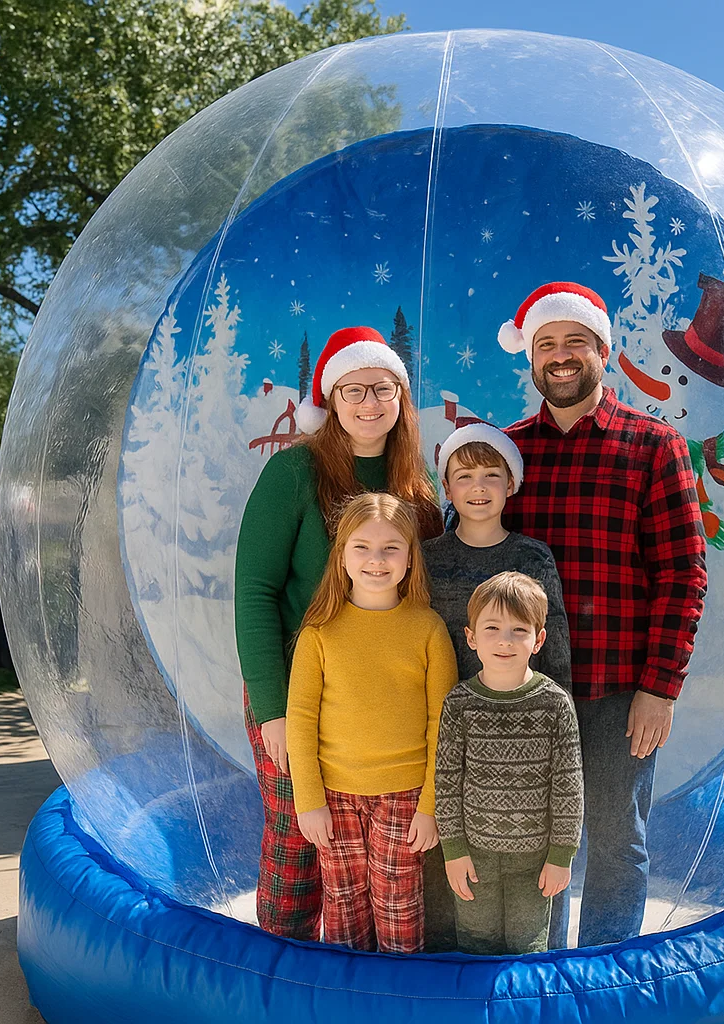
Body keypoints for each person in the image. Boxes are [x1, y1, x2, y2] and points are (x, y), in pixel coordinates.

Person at [498, 281, 708, 947]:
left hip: (621, 692)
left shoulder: (653, 445)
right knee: (537, 848)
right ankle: (543, 981)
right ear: (531, 359)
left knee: (618, 844)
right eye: (546, 345)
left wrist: (659, 689)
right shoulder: (505, 454)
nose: (560, 356)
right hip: (528, 693)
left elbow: (683, 574)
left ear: (603, 353)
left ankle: (605, 984)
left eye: (575, 343)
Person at [234, 326, 443, 940]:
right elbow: (255, 591)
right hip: (300, 693)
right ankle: (286, 969)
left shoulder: (415, 485)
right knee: (300, 837)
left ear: (401, 396)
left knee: (382, 855)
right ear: (331, 400)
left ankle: (378, 976)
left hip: (383, 704)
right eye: (352, 390)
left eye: (381, 387)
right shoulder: (295, 473)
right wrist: (272, 709)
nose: (368, 403)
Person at [285, 492, 457, 953]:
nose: (376, 560)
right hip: (334, 796)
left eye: (391, 548)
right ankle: (349, 1000)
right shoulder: (319, 633)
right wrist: (309, 800)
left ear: (409, 560)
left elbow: (444, 725)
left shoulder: (428, 629)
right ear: (341, 556)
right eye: (361, 546)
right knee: (343, 905)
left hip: (404, 795)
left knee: (398, 901)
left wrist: (431, 805)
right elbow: (300, 720)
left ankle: (399, 999)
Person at [434, 572, 583, 955]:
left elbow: (568, 786)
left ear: (539, 640)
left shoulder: (554, 704)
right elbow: (447, 782)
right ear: (471, 637)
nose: (504, 639)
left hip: (533, 864)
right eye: (492, 627)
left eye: (519, 630)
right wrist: (453, 850)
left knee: (528, 947)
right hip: (474, 856)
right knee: (475, 943)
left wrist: (561, 856)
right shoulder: (459, 704)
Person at [423, 423, 571, 691]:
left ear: (510, 483)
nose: (478, 487)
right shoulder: (427, 558)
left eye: (491, 475)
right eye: (464, 476)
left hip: (521, 712)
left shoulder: (533, 558)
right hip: (444, 713)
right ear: (446, 488)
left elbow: (555, 651)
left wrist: (560, 712)